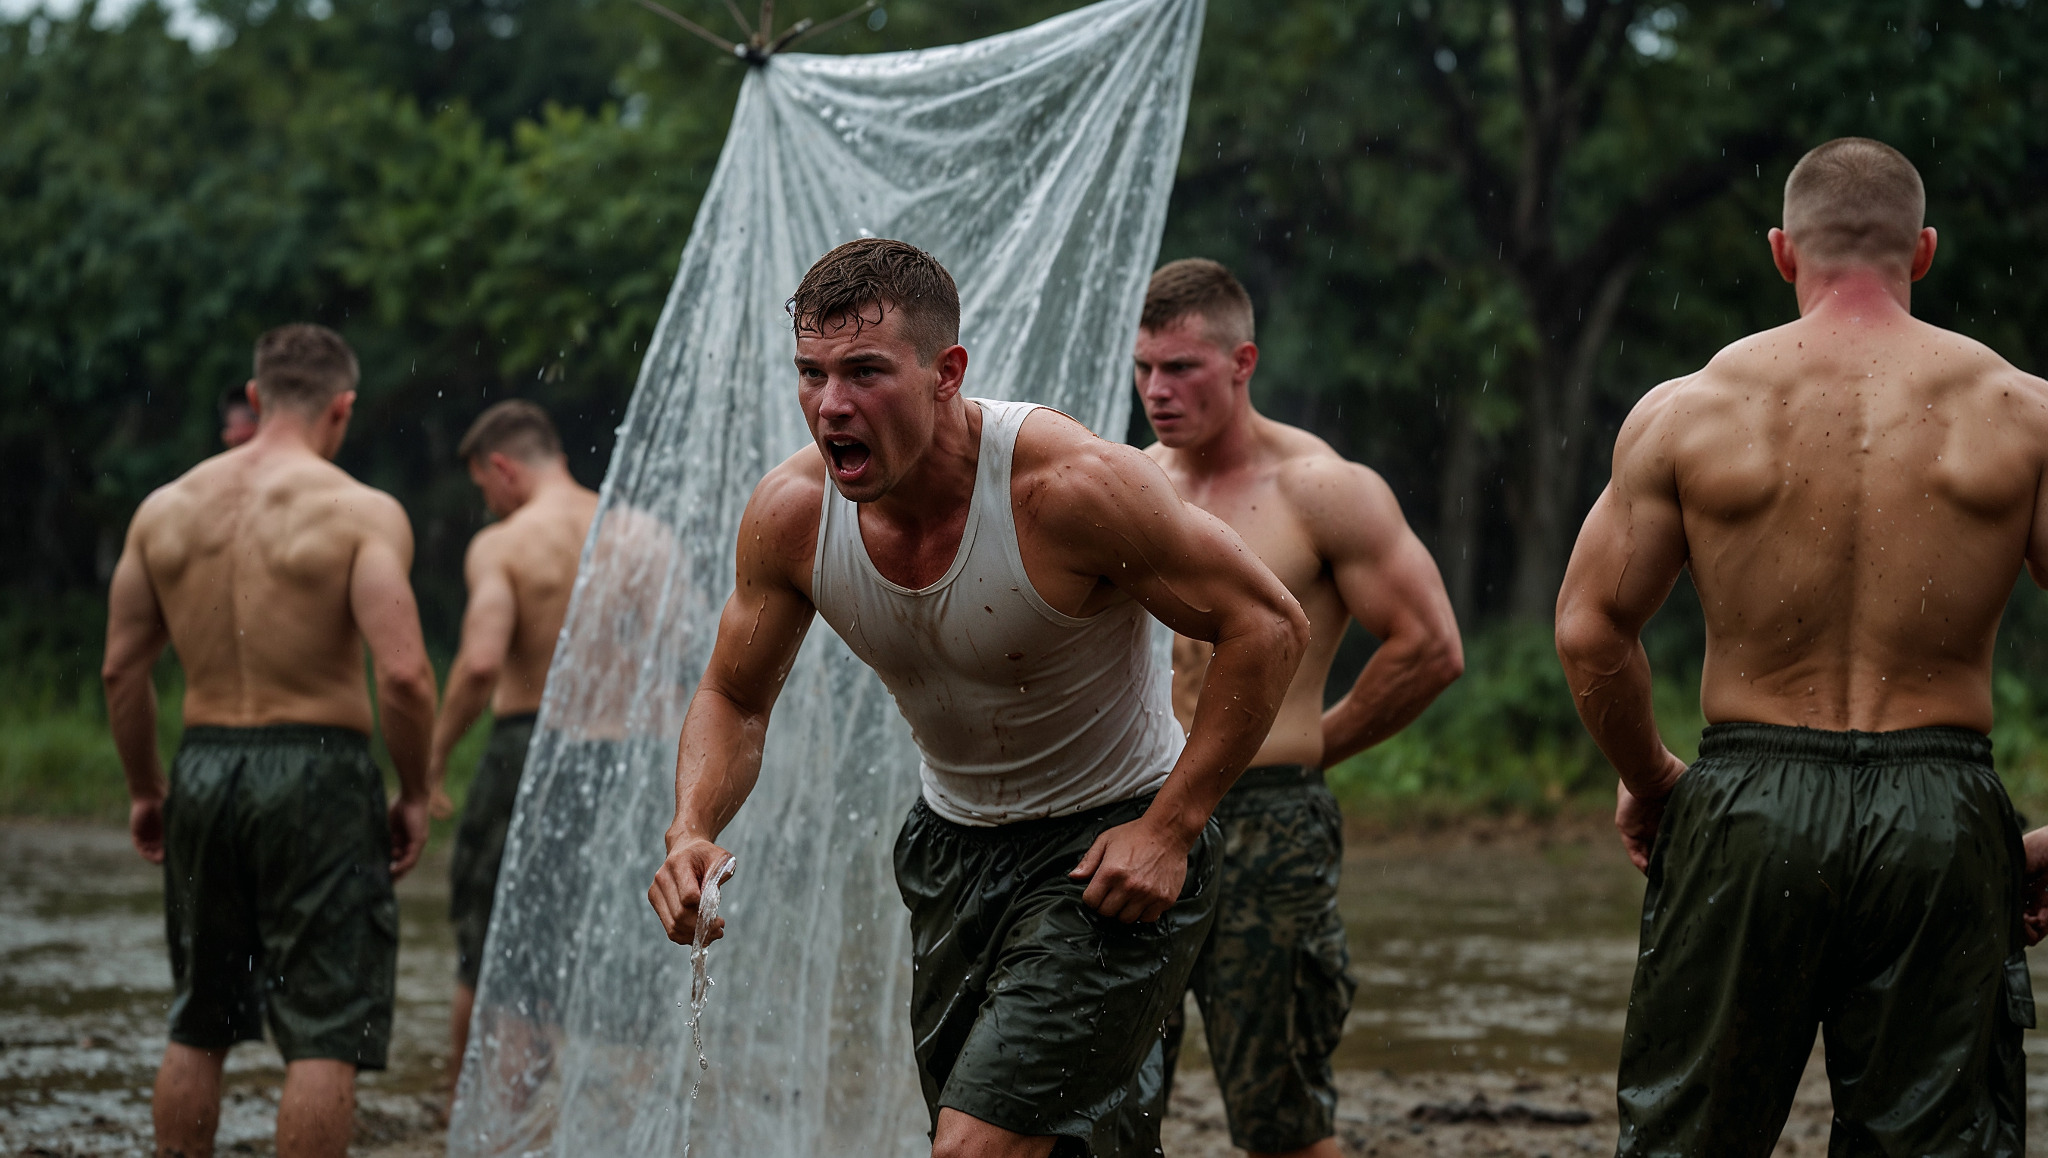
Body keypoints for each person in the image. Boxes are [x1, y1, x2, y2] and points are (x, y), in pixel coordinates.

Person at [645, 237, 1310, 1158]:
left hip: (1108, 847)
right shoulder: (793, 516)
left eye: (866, 372)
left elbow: (1269, 625)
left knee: (973, 1148)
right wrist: (689, 832)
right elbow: (733, 694)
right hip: (949, 853)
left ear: (946, 372)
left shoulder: (1069, 487)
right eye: (812, 373)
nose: (831, 405)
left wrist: (1172, 828)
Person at [1555, 137, 2048, 1157]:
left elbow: (1589, 626)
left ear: (1782, 251)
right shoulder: (2020, 412)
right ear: (1921, 251)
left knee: (1688, 1137)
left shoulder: (1691, 409)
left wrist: (1648, 777)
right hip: (1939, 814)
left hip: (1746, 803)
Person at [1132, 258, 1464, 1158]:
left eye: (1182, 369)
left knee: (1281, 1117)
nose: (1157, 391)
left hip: (1267, 823)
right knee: (1105, 1108)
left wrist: (1313, 746)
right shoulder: (1129, 485)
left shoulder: (1321, 489)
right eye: (1144, 369)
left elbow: (1431, 647)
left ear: (1242, 363)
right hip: (1132, 813)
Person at [101, 323, 437, 1158]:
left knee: (200, 1020)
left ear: (253, 398)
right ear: (343, 407)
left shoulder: (164, 510)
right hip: (318, 773)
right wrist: (415, 792)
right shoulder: (358, 511)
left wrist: (147, 789)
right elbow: (402, 675)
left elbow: (119, 672)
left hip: (204, 765)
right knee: (324, 1032)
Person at [428, 400, 598, 1092]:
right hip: (627, 761)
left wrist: (431, 761)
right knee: (593, 942)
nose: (488, 504)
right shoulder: (641, 531)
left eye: (482, 488)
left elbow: (476, 664)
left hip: (529, 748)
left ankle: (480, 1117)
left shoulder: (506, 545)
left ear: (502, 468)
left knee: (496, 950)